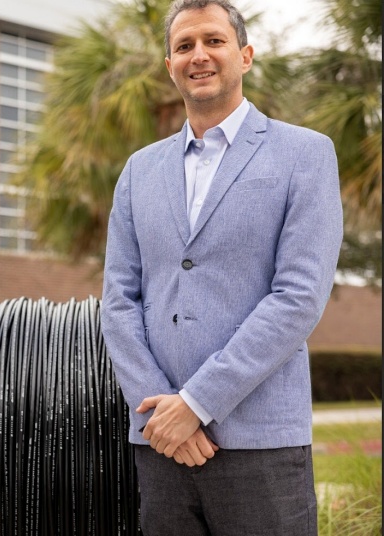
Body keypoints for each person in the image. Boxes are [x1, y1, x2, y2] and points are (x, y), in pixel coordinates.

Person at [100, 0, 343, 534]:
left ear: (246, 55)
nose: (199, 55)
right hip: (160, 443)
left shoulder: (306, 154)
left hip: (261, 443)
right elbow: (119, 300)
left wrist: (197, 402)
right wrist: (162, 417)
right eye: (184, 46)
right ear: (170, 65)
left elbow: (298, 296)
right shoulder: (139, 171)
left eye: (214, 40)